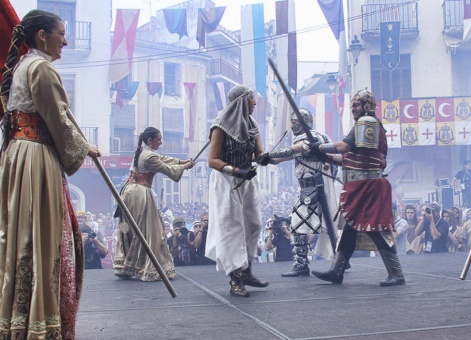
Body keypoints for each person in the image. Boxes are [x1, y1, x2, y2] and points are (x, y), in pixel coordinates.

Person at [0, 9, 101, 339]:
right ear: (42, 36)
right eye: (60, 33)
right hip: (35, 156)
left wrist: (82, 143)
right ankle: (39, 323)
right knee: (41, 237)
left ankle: (18, 317)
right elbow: (57, 119)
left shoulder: (22, 66)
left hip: (18, 154)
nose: (66, 40)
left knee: (22, 236)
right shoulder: (41, 68)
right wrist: (83, 147)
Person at [298, 88, 406, 286]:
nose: (354, 109)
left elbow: (345, 147)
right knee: (349, 228)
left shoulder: (367, 122)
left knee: (375, 228)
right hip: (361, 184)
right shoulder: (361, 126)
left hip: (369, 186)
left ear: (367, 105)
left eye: (356, 105)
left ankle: (396, 273)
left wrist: (319, 147)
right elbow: (349, 158)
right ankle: (336, 271)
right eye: (353, 106)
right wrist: (326, 157)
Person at [258, 108, 340, 277]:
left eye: (296, 122)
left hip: (315, 187)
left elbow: (293, 150)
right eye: (292, 122)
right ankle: (340, 262)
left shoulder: (313, 137)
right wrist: (261, 158)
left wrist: (270, 154)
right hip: (311, 188)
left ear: (304, 123)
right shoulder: (306, 139)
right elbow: (281, 158)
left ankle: (304, 264)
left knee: (298, 224)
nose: (293, 125)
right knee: (324, 226)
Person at [206, 85, 269, 297]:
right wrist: (236, 171)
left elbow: (258, 153)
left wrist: (263, 158)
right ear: (242, 100)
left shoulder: (252, 125)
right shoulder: (220, 127)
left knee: (254, 224)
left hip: (247, 180)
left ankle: (247, 270)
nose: (255, 103)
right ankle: (235, 280)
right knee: (232, 228)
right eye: (252, 99)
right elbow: (212, 160)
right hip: (227, 181)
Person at [113, 127, 195, 281]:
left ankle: (125, 264)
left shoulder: (142, 152)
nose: (161, 142)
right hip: (140, 193)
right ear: (150, 140)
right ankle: (147, 267)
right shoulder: (149, 157)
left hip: (130, 192)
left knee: (130, 228)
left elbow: (163, 159)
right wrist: (185, 167)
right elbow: (166, 169)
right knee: (148, 230)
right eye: (158, 139)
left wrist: (180, 161)